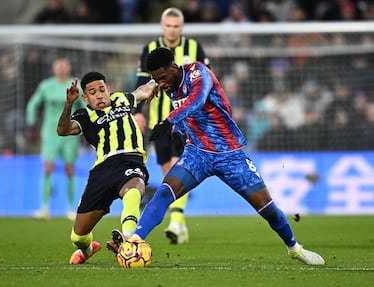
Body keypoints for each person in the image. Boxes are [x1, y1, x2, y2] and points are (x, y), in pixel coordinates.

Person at [121, 47, 325, 265]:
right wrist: (178, 131)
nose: (161, 83)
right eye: (156, 80)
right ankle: (134, 241)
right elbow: (187, 113)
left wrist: (169, 121)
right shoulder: (169, 85)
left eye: (162, 77)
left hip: (230, 155)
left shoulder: (199, 73)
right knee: (164, 193)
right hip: (197, 154)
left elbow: (197, 100)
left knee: (268, 209)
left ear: (173, 67)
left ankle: (295, 249)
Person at [57, 72, 158, 264]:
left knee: (134, 190)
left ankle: (128, 240)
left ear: (108, 90)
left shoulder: (122, 99)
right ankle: (87, 250)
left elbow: (143, 91)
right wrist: (69, 103)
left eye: (102, 90)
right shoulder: (84, 115)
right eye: (93, 92)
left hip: (131, 159)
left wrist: (159, 80)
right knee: (77, 237)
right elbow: (62, 130)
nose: (100, 95)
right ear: (85, 98)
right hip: (103, 170)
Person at [134, 7, 209, 245]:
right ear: (162, 26)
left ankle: (175, 221)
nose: (172, 30)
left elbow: (206, 81)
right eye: (168, 25)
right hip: (161, 121)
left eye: (176, 26)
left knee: (178, 166)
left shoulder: (195, 48)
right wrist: (138, 111)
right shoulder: (150, 49)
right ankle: (181, 221)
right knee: (169, 171)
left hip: (188, 120)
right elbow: (141, 81)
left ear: (182, 27)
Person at [26, 56, 84, 220]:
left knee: (70, 169)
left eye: (63, 66)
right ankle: (44, 208)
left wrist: (89, 126)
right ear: (53, 68)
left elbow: (86, 108)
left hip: (70, 134)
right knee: (48, 167)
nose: (60, 68)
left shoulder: (76, 86)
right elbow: (32, 105)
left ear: (69, 67)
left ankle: (71, 209)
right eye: (57, 66)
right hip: (50, 133)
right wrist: (31, 125)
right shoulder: (46, 86)